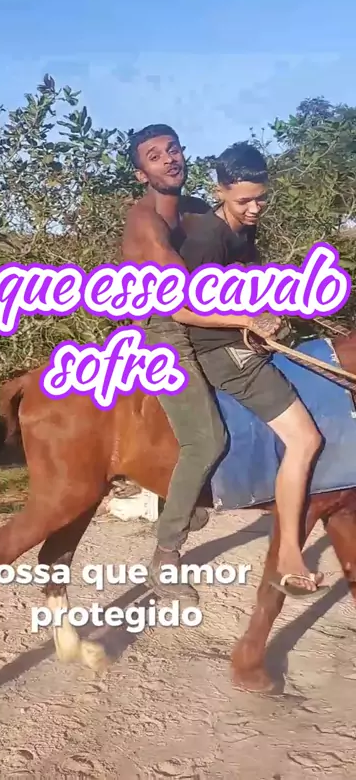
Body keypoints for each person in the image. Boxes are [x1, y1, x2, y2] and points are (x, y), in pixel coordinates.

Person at [121, 125, 273, 602]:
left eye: (172, 149)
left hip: (200, 320)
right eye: (154, 155)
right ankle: (166, 555)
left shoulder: (194, 211)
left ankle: (190, 495)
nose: (168, 159)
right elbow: (181, 299)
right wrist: (245, 317)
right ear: (141, 172)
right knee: (206, 438)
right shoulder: (145, 222)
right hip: (163, 332)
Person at [179, 141, 327, 598]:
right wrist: (245, 320)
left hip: (245, 341)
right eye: (244, 200)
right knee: (306, 439)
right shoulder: (207, 238)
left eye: (261, 198)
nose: (255, 208)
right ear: (220, 191)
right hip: (222, 353)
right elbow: (180, 307)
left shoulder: (244, 229)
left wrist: (269, 313)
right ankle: (288, 556)